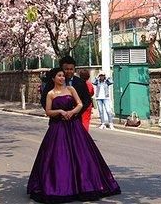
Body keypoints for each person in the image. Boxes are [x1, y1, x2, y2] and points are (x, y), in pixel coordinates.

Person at [27, 67, 121, 203]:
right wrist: (59, 111)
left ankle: (85, 185)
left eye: (63, 76)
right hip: (58, 127)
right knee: (58, 157)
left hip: (74, 125)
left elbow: (80, 104)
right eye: (59, 76)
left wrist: (72, 112)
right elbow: (48, 111)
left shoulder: (71, 89)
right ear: (53, 78)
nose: (62, 78)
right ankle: (59, 187)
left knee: (83, 155)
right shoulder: (51, 94)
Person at [40, 56, 92, 128]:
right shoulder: (52, 83)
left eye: (71, 69)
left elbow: (87, 100)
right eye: (66, 69)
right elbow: (44, 100)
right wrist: (56, 113)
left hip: (75, 120)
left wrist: (75, 112)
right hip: (57, 122)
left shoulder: (81, 83)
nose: (69, 71)